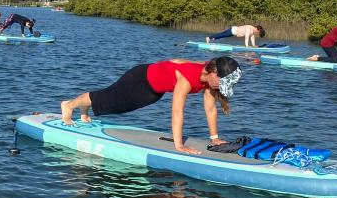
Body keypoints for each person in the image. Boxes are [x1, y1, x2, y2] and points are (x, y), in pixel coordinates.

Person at [60, 57, 242, 154]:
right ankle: (69, 105)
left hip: (154, 90)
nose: (221, 88)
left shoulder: (209, 78)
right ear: (213, 72)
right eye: (222, 82)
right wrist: (179, 146)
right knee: (109, 101)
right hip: (139, 80)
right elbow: (177, 112)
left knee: (112, 104)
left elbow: (210, 109)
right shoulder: (188, 77)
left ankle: (84, 107)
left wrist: (214, 137)